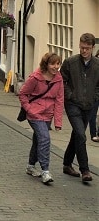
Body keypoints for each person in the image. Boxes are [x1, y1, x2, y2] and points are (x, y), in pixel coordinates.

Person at [18, 52, 64, 184]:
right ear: (46, 64)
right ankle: (45, 171)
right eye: (53, 64)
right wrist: (29, 110)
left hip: (48, 114)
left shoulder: (58, 79)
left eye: (58, 64)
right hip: (35, 114)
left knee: (38, 140)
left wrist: (58, 122)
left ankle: (31, 166)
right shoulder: (35, 78)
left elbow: (59, 101)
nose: (56, 67)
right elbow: (23, 94)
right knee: (44, 138)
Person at [61, 32, 99, 183]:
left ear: (92, 48)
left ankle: (66, 164)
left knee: (77, 134)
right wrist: (70, 95)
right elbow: (62, 82)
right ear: (79, 45)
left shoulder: (97, 65)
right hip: (73, 104)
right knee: (81, 135)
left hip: (88, 105)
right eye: (82, 47)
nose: (84, 51)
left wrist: (95, 97)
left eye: (87, 48)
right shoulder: (70, 62)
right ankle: (85, 170)